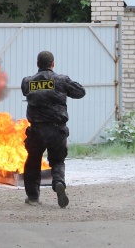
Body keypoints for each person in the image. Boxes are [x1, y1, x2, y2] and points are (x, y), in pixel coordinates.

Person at [21, 51, 86, 208]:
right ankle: (58, 182)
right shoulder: (61, 80)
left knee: (33, 162)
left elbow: (25, 92)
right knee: (57, 161)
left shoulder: (27, 82)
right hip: (57, 130)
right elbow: (80, 92)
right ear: (53, 64)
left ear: (37, 64)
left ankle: (33, 197)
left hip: (36, 130)